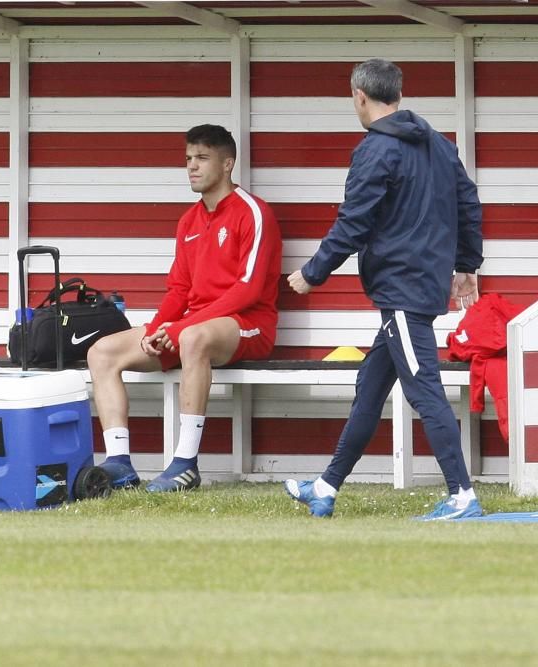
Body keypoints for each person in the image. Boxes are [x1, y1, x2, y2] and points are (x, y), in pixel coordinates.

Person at [283, 58, 483, 521]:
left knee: (425, 390)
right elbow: (468, 202)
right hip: (419, 286)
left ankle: (462, 496)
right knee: (371, 388)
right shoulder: (439, 144)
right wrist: (467, 263)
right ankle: (326, 487)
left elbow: (354, 223)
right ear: (398, 93)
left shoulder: (375, 149)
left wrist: (313, 272)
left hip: (402, 291)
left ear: (359, 96)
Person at [87, 124, 282, 493]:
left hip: (247, 325)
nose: (192, 166)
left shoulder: (253, 213)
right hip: (192, 326)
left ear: (227, 164)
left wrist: (178, 329)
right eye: (188, 159)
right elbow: (180, 289)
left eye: (202, 158)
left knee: (192, 337)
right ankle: (119, 463)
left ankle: (185, 464)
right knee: (102, 352)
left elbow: (248, 290)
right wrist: (158, 329)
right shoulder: (188, 220)